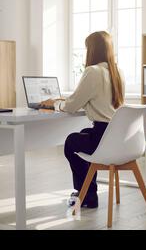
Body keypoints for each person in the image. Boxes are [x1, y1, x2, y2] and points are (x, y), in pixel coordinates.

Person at [41, 31, 125, 208]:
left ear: (92, 50)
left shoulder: (93, 71)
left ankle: (86, 193)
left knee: (71, 143)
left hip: (103, 137)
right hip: (118, 138)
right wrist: (68, 100)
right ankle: (88, 193)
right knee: (84, 134)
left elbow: (71, 106)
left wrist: (55, 104)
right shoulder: (118, 71)